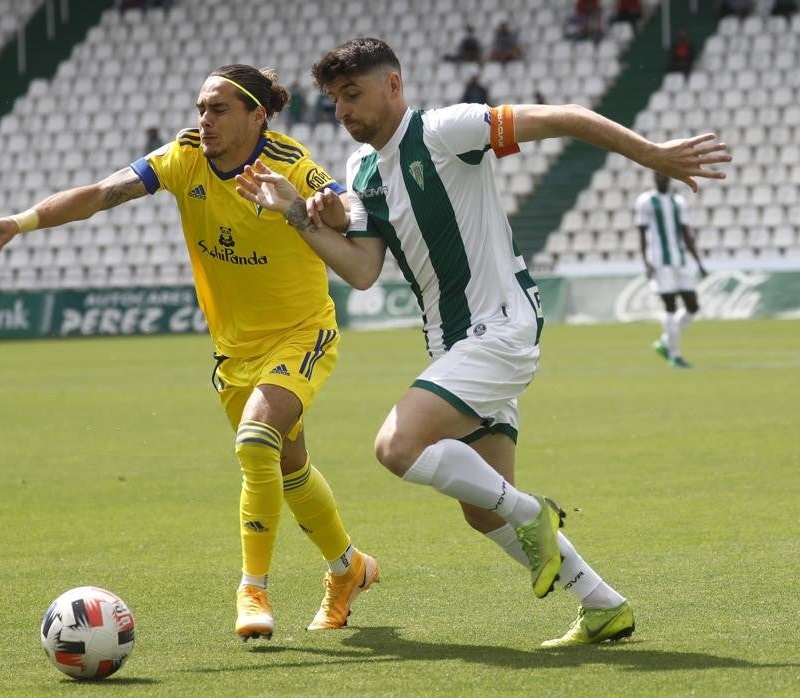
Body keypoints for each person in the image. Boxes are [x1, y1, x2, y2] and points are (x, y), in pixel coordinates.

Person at [235, 37, 729, 647]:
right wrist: (299, 215)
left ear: (393, 85)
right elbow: (361, 272)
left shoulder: (447, 130)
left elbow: (567, 118)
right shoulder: (364, 170)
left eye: (353, 95)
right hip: (454, 344)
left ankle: (534, 515)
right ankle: (603, 606)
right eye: (336, 100)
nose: (343, 112)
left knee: (397, 446)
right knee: (480, 507)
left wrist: (652, 154)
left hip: (499, 325)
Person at [0, 64, 379, 641]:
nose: (203, 120)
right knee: (287, 467)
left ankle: (252, 589)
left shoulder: (289, 163)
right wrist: (22, 220)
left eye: (218, 109)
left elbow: (345, 210)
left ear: (257, 115)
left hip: (301, 332)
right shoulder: (183, 157)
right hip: (235, 349)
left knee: (256, 439)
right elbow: (101, 194)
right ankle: (348, 568)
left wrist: (316, 207)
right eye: (200, 108)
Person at [635, 172, 707, 368]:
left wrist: (698, 261)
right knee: (670, 305)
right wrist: (646, 262)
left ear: (669, 178)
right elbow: (641, 233)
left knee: (693, 306)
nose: (661, 178)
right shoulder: (645, 201)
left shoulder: (678, 201)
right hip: (660, 261)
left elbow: (686, 233)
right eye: (658, 175)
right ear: (654, 177)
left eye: (664, 175)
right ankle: (674, 355)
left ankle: (666, 342)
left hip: (681, 260)